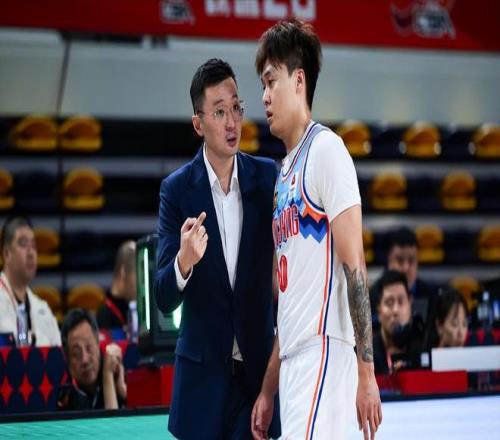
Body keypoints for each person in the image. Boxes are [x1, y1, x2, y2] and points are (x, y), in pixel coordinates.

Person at [252, 19, 381, 440]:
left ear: (298, 81)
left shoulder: (327, 151)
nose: (264, 95)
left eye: (271, 81)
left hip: (324, 352)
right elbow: (290, 302)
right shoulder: (283, 174)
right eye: (262, 85)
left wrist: (367, 372)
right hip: (295, 363)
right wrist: (268, 389)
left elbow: (355, 267)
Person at [154, 58, 280, 439]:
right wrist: (183, 262)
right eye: (220, 112)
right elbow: (163, 296)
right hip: (202, 387)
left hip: (256, 382)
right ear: (198, 124)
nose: (232, 123)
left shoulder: (268, 178)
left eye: (237, 108)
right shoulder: (176, 191)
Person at [0, 216, 60, 346]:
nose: (31, 253)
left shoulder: (43, 310)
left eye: (33, 246)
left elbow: (59, 354)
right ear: (6, 254)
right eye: (23, 244)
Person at [57, 308, 126, 410]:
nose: (84, 360)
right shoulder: (66, 396)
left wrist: (123, 391)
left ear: (98, 343)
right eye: (76, 354)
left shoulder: (116, 371)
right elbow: (110, 420)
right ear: (67, 359)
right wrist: (107, 377)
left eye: (89, 348)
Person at [371, 227, 437, 325]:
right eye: (400, 260)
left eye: (411, 260)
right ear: (389, 260)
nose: (406, 268)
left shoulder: (429, 297)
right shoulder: (372, 297)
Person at [373, 270, 425, 375]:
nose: (395, 310)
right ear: (379, 310)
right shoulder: (366, 355)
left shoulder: (423, 347)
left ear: (410, 303)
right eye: (389, 303)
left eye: (401, 301)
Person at [97, 240, 137, 338]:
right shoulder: (104, 318)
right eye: (138, 275)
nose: (141, 285)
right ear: (123, 272)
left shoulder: (132, 312)